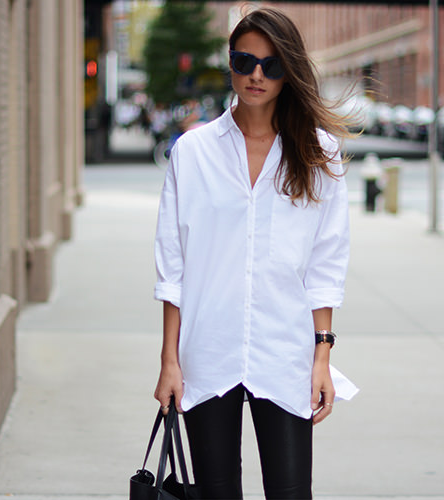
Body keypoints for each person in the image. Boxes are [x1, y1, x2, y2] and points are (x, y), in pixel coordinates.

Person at [153, 7, 356, 499]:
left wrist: (322, 357)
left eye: (271, 64)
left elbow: (326, 266)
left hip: (284, 351)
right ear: (230, 64)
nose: (257, 75)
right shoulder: (193, 152)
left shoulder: (318, 154)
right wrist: (169, 361)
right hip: (208, 350)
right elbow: (172, 264)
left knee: (290, 493)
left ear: (290, 69)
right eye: (245, 62)